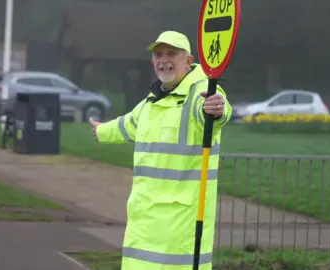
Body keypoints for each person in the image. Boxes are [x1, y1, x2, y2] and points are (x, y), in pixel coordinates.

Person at [89, 30, 232, 270]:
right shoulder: (152, 101)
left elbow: (214, 110)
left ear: (188, 60)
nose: (164, 60)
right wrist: (102, 130)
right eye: (158, 54)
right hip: (144, 218)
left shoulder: (199, 91)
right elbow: (128, 125)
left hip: (179, 225)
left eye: (172, 54)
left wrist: (219, 109)